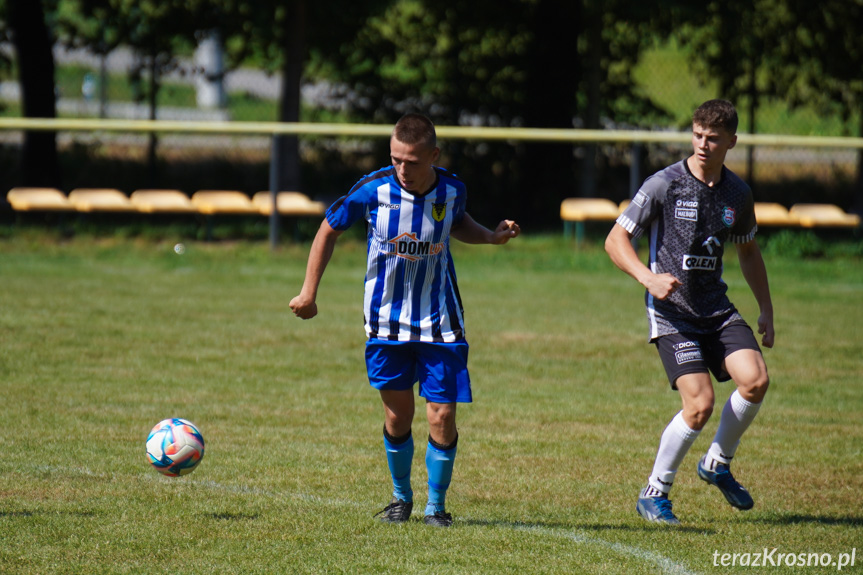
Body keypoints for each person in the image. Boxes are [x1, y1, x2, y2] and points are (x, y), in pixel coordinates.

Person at [290, 113, 520, 527]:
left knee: (442, 415)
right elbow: (327, 229)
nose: (403, 169)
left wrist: (489, 235)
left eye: (412, 161)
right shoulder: (372, 191)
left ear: (433, 155)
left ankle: (436, 506)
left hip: (441, 321)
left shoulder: (452, 191)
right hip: (386, 324)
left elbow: (456, 223)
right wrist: (309, 292)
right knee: (398, 415)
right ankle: (401, 498)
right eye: (396, 159)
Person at [605, 99, 774, 525]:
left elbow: (749, 251)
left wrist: (766, 309)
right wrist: (649, 278)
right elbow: (615, 241)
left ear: (731, 142)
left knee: (755, 381)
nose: (703, 144)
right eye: (697, 135)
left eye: (713, 138)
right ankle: (654, 491)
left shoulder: (738, 193)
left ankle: (717, 462)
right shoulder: (664, 185)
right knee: (699, 404)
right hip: (672, 312)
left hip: (715, 308)